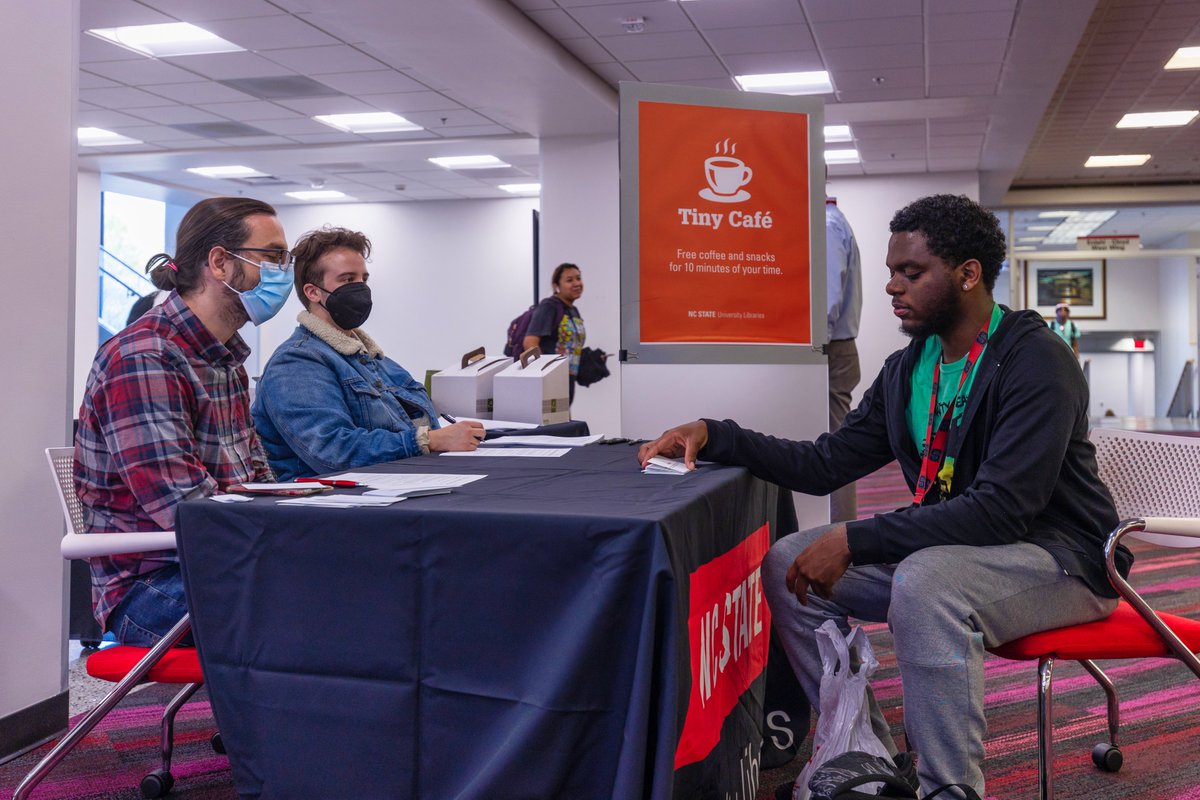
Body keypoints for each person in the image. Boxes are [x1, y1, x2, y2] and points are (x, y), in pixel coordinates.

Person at [637, 194, 1131, 798]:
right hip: (959, 547)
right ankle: (868, 756)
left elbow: (1004, 509)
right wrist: (716, 434)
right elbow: (824, 463)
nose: (893, 287)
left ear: (968, 274)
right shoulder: (908, 368)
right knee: (789, 561)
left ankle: (948, 790)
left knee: (926, 584)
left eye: (912, 273)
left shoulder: (1036, 362)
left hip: (1063, 559)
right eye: (892, 272)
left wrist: (858, 538)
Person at [75, 197, 292, 646]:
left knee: (353, 584)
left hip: (216, 563)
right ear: (219, 262)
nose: (284, 272)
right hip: (153, 588)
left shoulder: (224, 356)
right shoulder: (145, 357)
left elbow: (257, 477)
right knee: (335, 605)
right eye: (272, 256)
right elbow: (186, 508)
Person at [252, 226, 484, 481]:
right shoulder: (296, 363)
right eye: (348, 279)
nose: (360, 288)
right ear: (313, 292)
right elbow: (332, 452)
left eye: (364, 279)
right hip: (334, 506)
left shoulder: (376, 361)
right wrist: (428, 441)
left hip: (397, 488)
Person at [825, 197, 863, 522]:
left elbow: (827, 298)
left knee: (833, 454)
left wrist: (808, 351)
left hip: (829, 351)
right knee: (833, 447)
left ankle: (838, 535)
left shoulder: (826, 224)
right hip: (834, 348)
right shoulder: (832, 220)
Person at [522, 262, 586, 402]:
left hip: (567, 377)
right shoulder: (549, 306)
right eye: (569, 280)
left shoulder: (572, 310)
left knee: (564, 419)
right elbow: (530, 342)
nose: (576, 283)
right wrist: (545, 374)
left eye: (578, 278)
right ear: (556, 286)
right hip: (551, 378)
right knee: (554, 420)